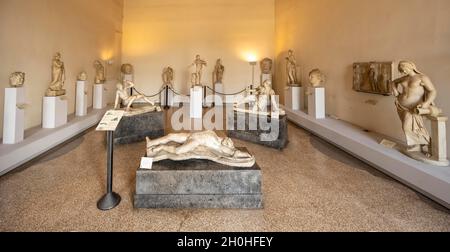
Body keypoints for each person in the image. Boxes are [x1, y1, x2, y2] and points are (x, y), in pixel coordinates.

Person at [392, 61, 438, 153]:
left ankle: (429, 145)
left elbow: (433, 91)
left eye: (404, 69)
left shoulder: (422, 77)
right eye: (401, 70)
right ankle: (418, 145)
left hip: (414, 107)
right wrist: (395, 91)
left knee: (409, 126)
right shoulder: (404, 78)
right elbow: (393, 82)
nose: (403, 72)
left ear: (411, 67)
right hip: (401, 106)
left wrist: (426, 103)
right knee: (411, 127)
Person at [146, 130, 253, 159]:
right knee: (170, 135)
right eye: (230, 140)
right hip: (191, 135)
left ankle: (158, 148)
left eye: (229, 143)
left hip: (195, 141)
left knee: (178, 151)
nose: (229, 141)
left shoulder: (219, 146)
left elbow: (235, 153)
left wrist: (247, 155)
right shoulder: (215, 135)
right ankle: (151, 143)